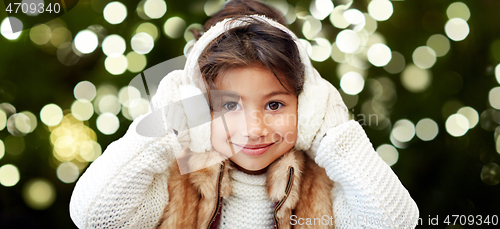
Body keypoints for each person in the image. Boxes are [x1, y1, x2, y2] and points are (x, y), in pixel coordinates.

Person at [69, 0, 419, 228]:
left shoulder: (327, 185)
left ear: (308, 105)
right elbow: (95, 216)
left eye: (275, 104)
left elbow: (396, 222)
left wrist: (336, 136)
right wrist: (167, 125)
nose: (254, 129)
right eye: (229, 105)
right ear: (195, 107)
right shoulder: (172, 179)